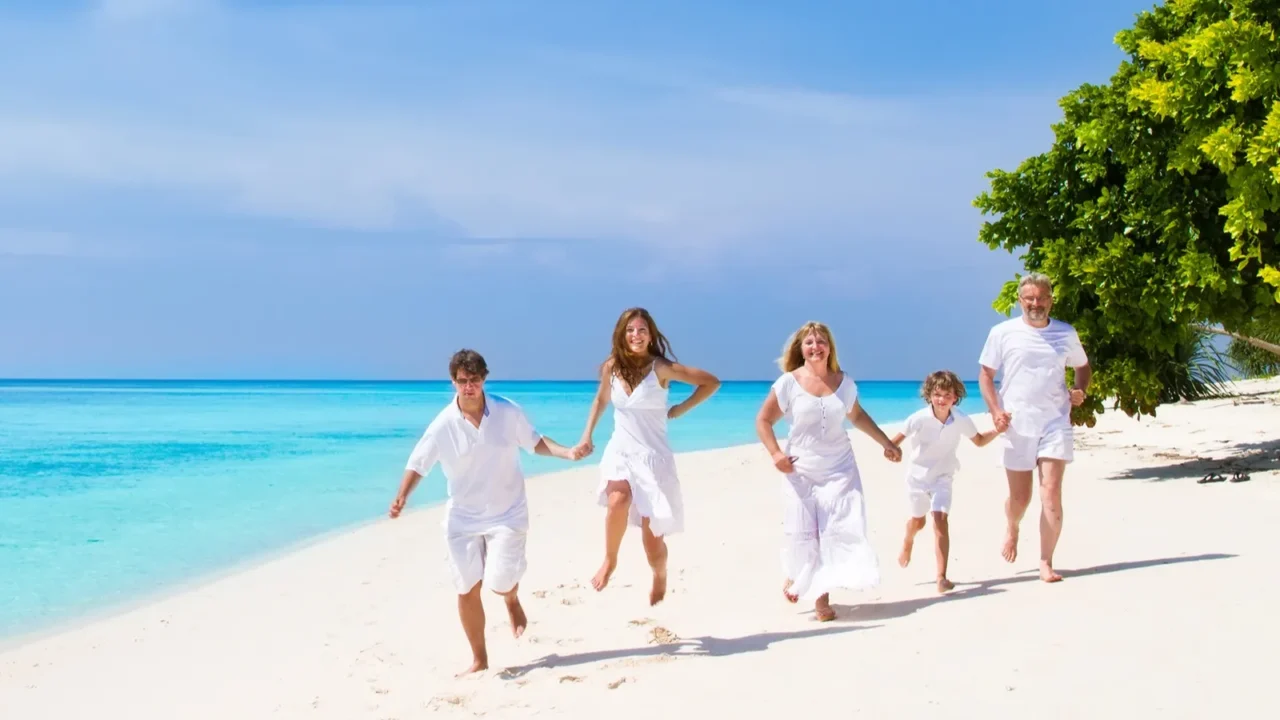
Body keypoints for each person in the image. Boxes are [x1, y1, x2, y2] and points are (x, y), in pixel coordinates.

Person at [388, 349, 584, 676]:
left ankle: (511, 599)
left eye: (475, 380)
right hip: (462, 518)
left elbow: (533, 442)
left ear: (484, 379)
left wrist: (567, 452)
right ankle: (479, 660)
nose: (469, 387)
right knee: (466, 587)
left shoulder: (507, 412)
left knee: (499, 580)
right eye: (462, 381)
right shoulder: (443, 425)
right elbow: (418, 464)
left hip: (507, 512)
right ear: (453, 382)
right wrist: (401, 497)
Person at [755, 321, 902, 622]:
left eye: (821, 341)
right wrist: (775, 454)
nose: (815, 346)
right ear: (801, 349)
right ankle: (800, 576)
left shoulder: (843, 382)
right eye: (809, 342)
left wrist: (886, 443)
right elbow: (763, 421)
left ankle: (821, 598)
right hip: (801, 469)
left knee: (835, 529)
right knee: (806, 532)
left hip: (839, 467)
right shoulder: (788, 383)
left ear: (829, 347)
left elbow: (857, 416)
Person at [573, 307, 721, 606]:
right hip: (621, 449)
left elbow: (711, 382)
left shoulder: (662, 368)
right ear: (621, 335)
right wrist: (587, 434)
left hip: (653, 456)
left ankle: (659, 574)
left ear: (650, 334)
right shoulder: (611, 367)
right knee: (617, 500)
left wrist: (681, 408)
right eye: (630, 330)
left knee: (652, 544)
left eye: (641, 330)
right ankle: (610, 560)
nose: (636, 335)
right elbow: (602, 399)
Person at [978, 272, 1091, 583]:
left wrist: (1080, 390)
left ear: (1051, 300)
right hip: (1016, 424)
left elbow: (1082, 366)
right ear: (1020, 301)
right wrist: (996, 411)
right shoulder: (1002, 333)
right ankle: (1012, 526)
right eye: (1029, 298)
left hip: (1055, 421)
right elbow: (986, 375)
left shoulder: (1065, 333)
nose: (1036, 303)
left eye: (1041, 298)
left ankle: (1045, 561)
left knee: (1051, 494)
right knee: (1020, 500)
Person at [890, 370, 1006, 593]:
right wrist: (891, 451)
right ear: (929, 396)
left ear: (955, 397)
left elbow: (979, 441)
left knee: (940, 520)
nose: (941, 399)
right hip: (918, 477)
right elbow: (895, 441)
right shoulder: (919, 418)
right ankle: (908, 540)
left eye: (947, 395)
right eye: (937, 394)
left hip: (943, 476)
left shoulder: (961, 419)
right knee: (918, 521)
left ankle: (941, 577)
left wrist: (997, 430)